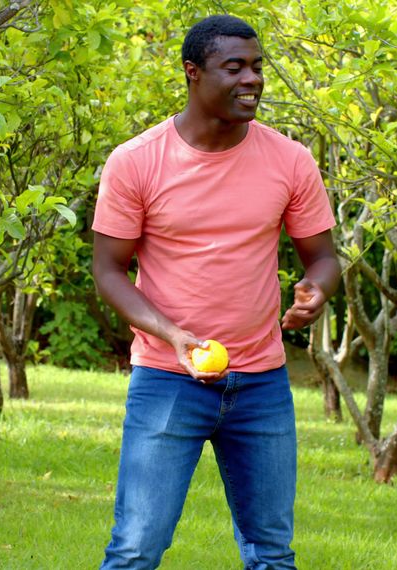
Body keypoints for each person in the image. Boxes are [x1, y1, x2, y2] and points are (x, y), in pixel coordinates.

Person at [92, 14, 341, 570]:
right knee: (136, 548)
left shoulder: (290, 160)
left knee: (272, 553)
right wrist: (172, 335)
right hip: (166, 378)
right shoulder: (137, 161)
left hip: (261, 384)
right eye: (234, 67)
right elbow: (108, 271)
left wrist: (316, 291)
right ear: (192, 73)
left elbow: (322, 258)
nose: (251, 79)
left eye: (256, 67)